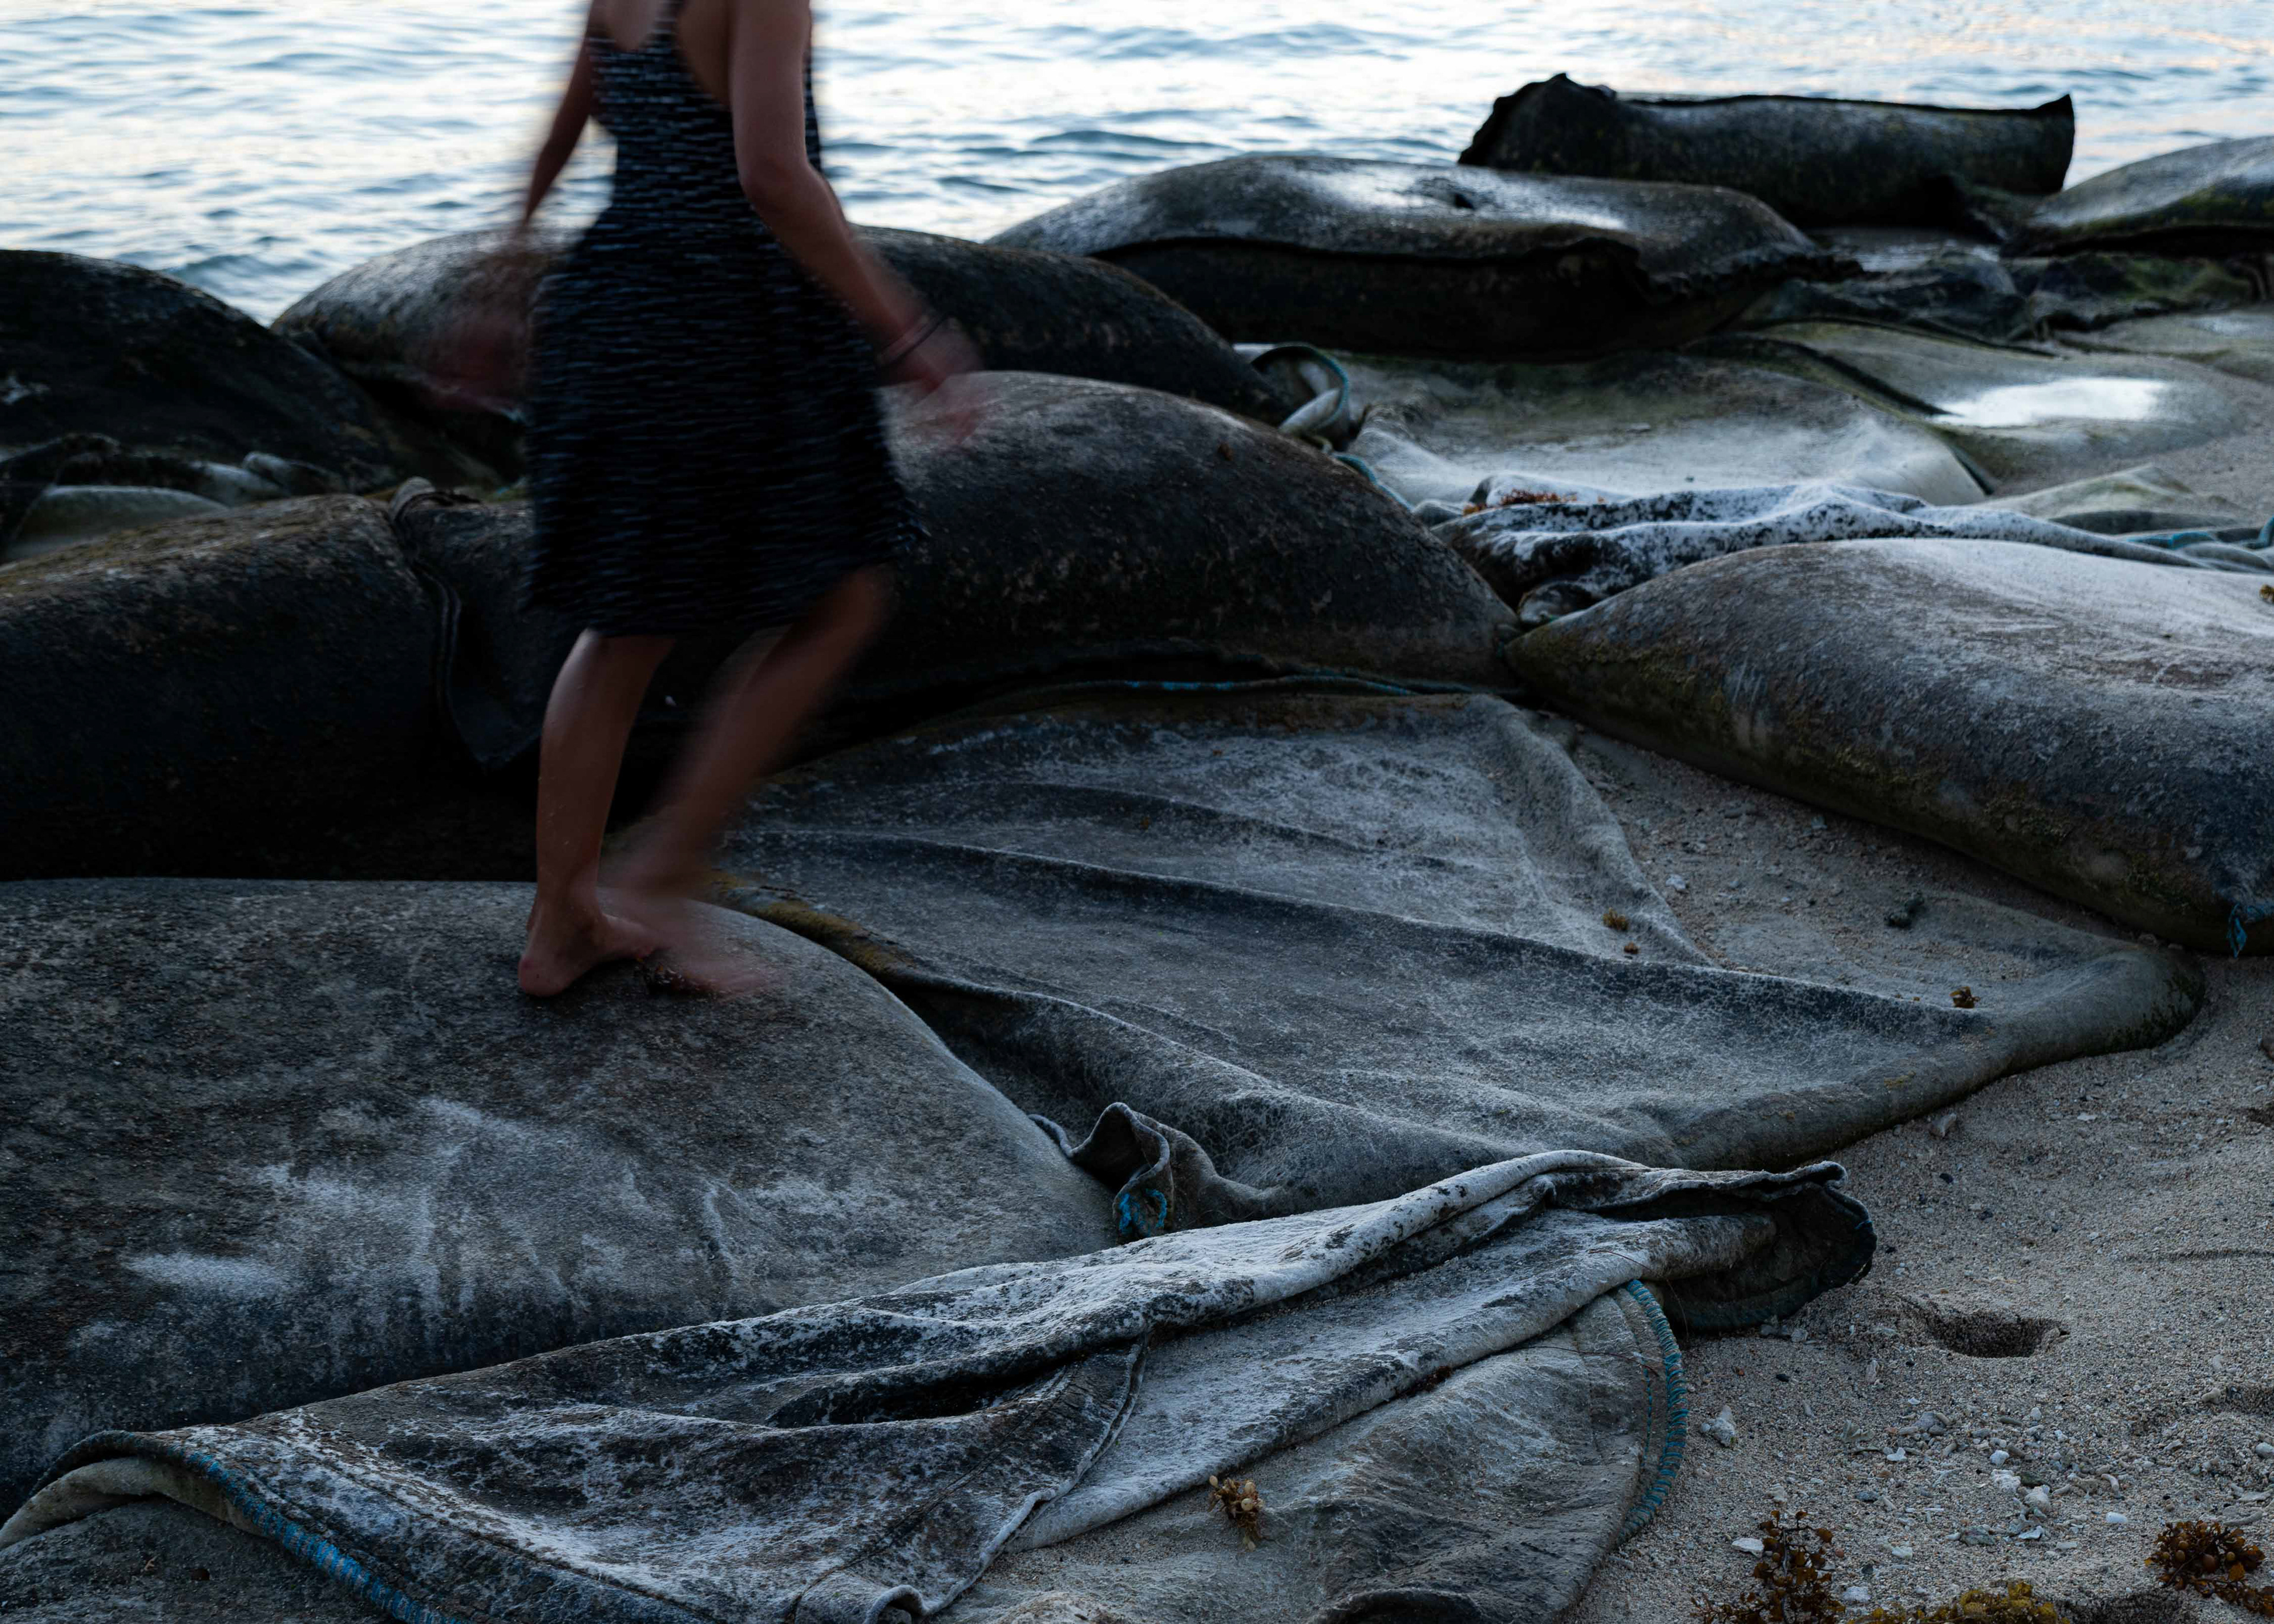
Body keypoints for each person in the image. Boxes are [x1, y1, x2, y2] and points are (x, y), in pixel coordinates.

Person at [487, 0, 978, 996]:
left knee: (621, 626)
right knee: (840, 600)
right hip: (729, 322)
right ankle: (662, 870)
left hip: (612, 303)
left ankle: (562, 917)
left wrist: (501, 275)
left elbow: (563, 131)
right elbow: (772, 176)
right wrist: (906, 328)